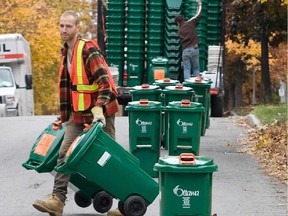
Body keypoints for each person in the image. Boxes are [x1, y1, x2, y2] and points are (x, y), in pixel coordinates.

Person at [32, 10, 121, 216]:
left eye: (68, 26)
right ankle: (57, 201)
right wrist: (64, 117)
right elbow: (70, 89)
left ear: (77, 28)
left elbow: (105, 83)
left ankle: (123, 201)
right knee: (64, 154)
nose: (64, 30)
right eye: (61, 25)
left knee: (108, 158)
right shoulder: (65, 52)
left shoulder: (87, 49)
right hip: (78, 115)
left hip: (101, 113)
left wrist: (99, 107)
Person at [175, 0, 202, 80]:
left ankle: (187, 85)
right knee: (196, 68)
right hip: (194, 49)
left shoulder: (179, 31)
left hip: (185, 51)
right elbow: (198, 15)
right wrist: (199, 4)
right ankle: (197, 85)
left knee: (187, 69)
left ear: (178, 23)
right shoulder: (190, 23)